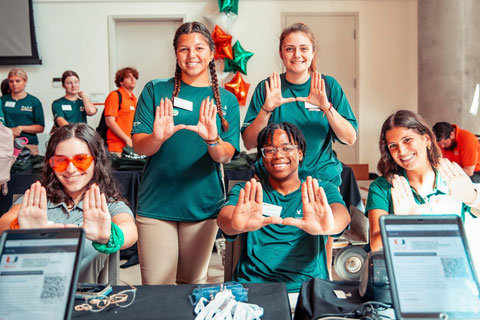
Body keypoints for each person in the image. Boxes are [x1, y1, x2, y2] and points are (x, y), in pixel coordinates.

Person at [132, 21, 240, 285]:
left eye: (199, 48)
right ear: (176, 54)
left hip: (202, 205)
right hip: (157, 203)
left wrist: (212, 139)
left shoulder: (226, 100)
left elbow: (225, 155)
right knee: (157, 289)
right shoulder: (156, 90)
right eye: (184, 49)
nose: (192, 55)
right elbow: (138, 145)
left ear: (212, 52)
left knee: (192, 285)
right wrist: (157, 137)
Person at [218, 122, 351, 292]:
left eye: (287, 148)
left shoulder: (320, 189)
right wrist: (234, 224)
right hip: (253, 287)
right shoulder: (248, 191)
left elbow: (342, 215)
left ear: (300, 153)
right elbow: (225, 218)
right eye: (269, 150)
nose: (278, 155)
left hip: (307, 290)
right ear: (262, 157)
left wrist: (330, 225)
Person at [0, 123, 138, 283]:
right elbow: (5, 222)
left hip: (87, 302)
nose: (71, 169)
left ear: (96, 161)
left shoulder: (106, 203)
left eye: (81, 159)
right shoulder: (37, 199)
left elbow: (130, 230)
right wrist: (20, 227)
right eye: (61, 161)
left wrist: (109, 235)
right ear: (51, 164)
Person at [241, 22, 357, 188]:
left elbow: (350, 138)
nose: (297, 55)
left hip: (321, 181)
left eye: (303, 49)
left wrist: (326, 107)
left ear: (312, 53)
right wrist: (267, 109)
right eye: (290, 49)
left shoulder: (328, 86)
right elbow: (249, 143)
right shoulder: (267, 88)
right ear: (281, 53)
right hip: (275, 181)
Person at [366, 110, 480, 251]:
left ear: (426, 139)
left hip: (450, 265)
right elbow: (376, 246)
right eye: (393, 146)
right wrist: (403, 223)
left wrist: (473, 198)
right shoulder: (382, 187)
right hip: (407, 267)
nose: (401, 151)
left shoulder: (450, 180)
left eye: (407, 140)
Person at [0, 68, 44, 155]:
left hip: (28, 144)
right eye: (11, 81)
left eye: (17, 81)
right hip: (6, 144)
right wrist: (9, 131)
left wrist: (20, 128)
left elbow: (40, 127)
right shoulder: (3, 100)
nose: (14, 84)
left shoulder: (34, 101)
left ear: (25, 81)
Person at [104, 67, 139, 155]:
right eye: (128, 77)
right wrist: (126, 139)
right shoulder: (114, 95)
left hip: (131, 147)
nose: (132, 79)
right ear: (121, 81)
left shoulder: (134, 99)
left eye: (134, 77)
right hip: (117, 147)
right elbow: (110, 122)